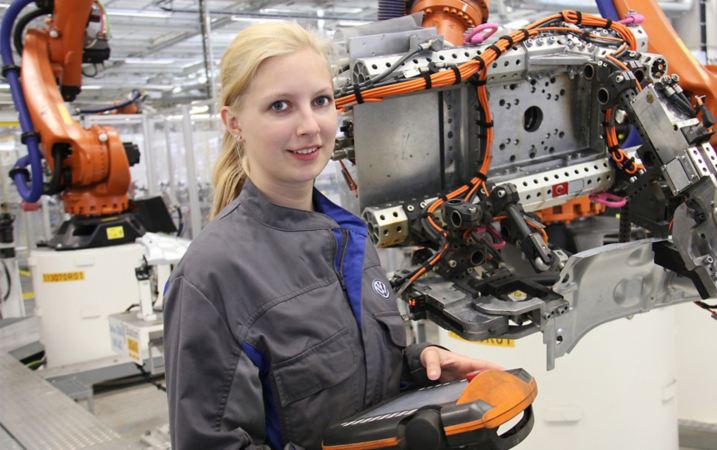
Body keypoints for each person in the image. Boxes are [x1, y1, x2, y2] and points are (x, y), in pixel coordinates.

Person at [163, 21, 502, 450]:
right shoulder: (212, 276)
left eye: (320, 101)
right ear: (234, 123)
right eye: (280, 106)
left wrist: (421, 366)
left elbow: (362, 378)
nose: (310, 126)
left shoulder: (349, 236)